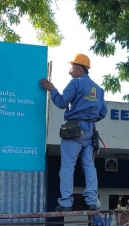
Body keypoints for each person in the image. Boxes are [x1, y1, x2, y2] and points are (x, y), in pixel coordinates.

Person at [39, 53, 107, 212]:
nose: (70, 70)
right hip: (89, 131)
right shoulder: (98, 89)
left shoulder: (75, 83)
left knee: (68, 167)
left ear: (79, 69)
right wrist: (89, 120)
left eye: (72, 67)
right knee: (89, 166)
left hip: (73, 130)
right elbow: (103, 112)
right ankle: (92, 200)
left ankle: (66, 203)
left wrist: (52, 90)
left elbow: (62, 103)